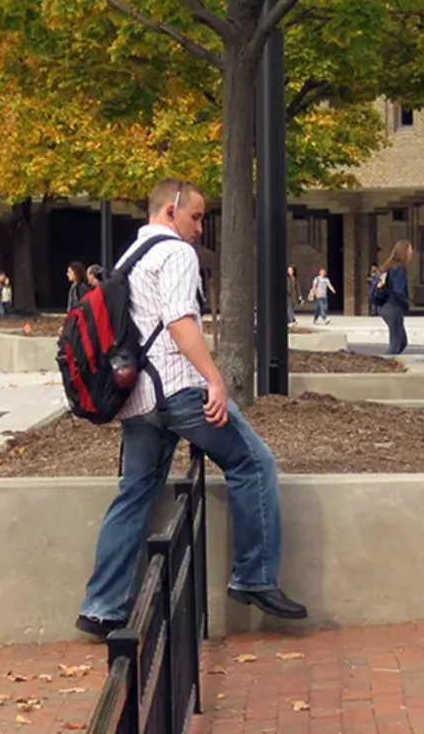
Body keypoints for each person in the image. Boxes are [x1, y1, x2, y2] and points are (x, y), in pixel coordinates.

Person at [77, 178, 306, 640]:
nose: (201, 228)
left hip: (137, 400)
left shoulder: (127, 260)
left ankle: (101, 607)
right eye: (196, 216)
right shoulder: (176, 253)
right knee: (254, 463)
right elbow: (181, 324)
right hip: (180, 391)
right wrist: (215, 380)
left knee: (135, 495)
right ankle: (254, 577)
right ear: (169, 211)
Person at [378, 240, 413, 355]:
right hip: (393, 307)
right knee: (396, 344)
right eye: (410, 249)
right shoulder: (399, 269)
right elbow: (398, 291)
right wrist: (406, 304)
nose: (411, 252)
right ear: (404, 251)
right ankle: (382, 366)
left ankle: (388, 363)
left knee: (402, 342)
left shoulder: (390, 267)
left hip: (385, 307)